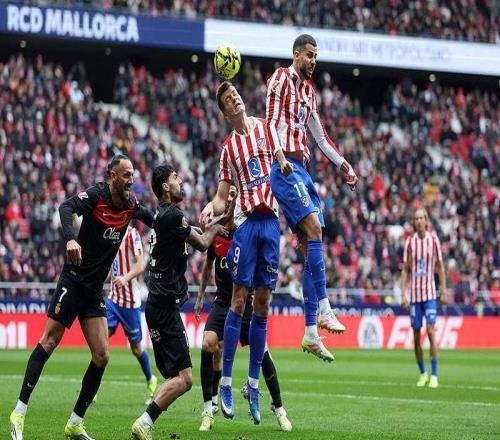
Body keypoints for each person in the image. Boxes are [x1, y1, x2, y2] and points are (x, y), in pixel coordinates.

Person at [9, 154, 155, 440]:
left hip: (94, 289)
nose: (131, 180)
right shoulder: (97, 196)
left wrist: (186, 228)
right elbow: (66, 207)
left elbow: (156, 219)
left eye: (133, 175)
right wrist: (70, 238)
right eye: (126, 175)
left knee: (102, 355)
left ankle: (75, 423)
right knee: (49, 341)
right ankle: (19, 413)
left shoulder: (131, 206)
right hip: (73, 280)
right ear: (113, 176)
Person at [266, 34, 358, 362]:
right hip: (284, 166)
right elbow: (269, 123)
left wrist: (343, 164)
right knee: (315, 228)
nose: (313, 61)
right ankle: (324, 308)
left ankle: (309, 332)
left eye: (316, 56)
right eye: (308, 55)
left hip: (302, 170)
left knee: (310, 247)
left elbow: (320, 137)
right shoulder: (281, 78)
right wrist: (278, 156)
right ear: (296, 55)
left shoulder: (309, 93)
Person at [199, 82, 287, 424]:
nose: (235, 98)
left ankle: (252, 385)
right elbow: (222, 197)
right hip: (247, 224)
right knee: (238, 300)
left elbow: (283, 164)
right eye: (228, 99)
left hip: (271, 225)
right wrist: (211, 206)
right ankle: (225, 382)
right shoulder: (228, 149)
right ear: (225, 112)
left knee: (261, 304)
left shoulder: (267, 128)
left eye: (235, 94)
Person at [130, 163, 226, 440]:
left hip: (156, 306)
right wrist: (219, 227)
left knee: (175, 377)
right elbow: (204, 243)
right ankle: (144, 422)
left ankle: (146, 423)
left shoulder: (163, 216)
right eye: (175, 178)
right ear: (165, 187)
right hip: (164, 308)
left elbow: (189, 230)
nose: (180, 181)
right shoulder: (172, 215)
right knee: (185, 379)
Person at [195, 185, 292, 432]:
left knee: (263, 353)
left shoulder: (246, 230)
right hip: (222, 301)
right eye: (227, 195)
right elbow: (207, 266)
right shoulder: (216, 236)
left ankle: (279, 408)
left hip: (245, 304)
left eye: (233, 195)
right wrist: (200, 296)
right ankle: (209, 408)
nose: (230, 199)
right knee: (208, 344)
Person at [106, 225, 157, 403]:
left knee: (136, 349)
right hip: (113, 299)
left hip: (130, 303)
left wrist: (125, 278)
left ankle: (151, 379)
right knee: (100, 342)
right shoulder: (110, 232)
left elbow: (140, 265)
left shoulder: (131, 234)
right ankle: (92, 387)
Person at [400, 208, 447, 388]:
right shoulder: (410, 242)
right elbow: (405, 269)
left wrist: (443, 290)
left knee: (431, 330)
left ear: (426, 221)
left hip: (429, 294)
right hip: (414, 296)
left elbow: (440, 266)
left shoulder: (433, 240)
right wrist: (403, 294)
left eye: (421, 218)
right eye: (416, 218)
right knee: (416, 334)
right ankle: (422, 373)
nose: (419, 221)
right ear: (414, 222)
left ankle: (434, 375)